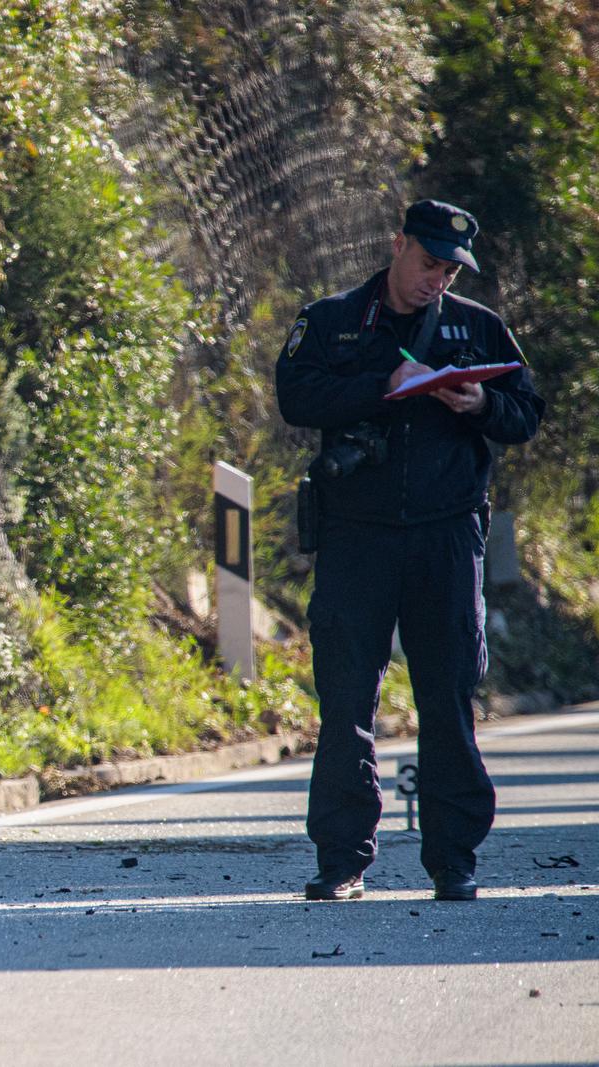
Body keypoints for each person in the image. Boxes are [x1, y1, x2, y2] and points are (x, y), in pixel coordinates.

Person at [275, 199, 545, 902]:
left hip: (446, 534)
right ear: (397, 245)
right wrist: (379, 388)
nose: (437, 281)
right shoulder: (333, 319)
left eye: (450, 271)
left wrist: (480, 406)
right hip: (356, 534)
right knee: (345, 697)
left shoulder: (478, 326)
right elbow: (296, 395)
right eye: (428, 264)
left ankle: (454, 859)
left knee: (448, 696)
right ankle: (341, 859)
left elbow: (526, 412)